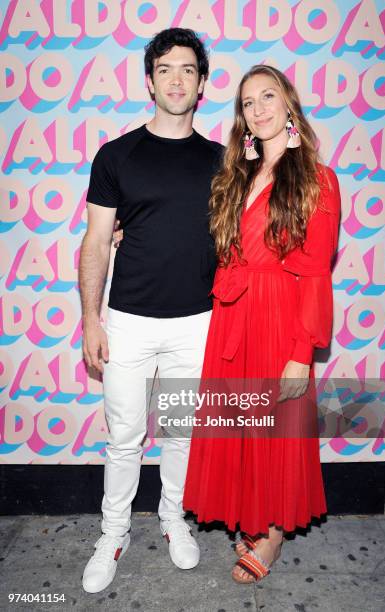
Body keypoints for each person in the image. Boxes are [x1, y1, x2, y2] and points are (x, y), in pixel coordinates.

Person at [182, 64, 341, 584]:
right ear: (242, 118)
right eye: (248, 103)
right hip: (233, 316)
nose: (259, 109)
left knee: (275, 430)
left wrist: (302, 349)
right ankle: (250, 517)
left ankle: (270, 535)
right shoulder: (238, 175)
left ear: (288, 103)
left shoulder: (318, 178)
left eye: (268, 96)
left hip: (278, 317)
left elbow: (316, 272)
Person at [79, 28, 223, 593]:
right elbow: (95, 241)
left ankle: (171, 518)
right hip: (130, 321)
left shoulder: (223, 160)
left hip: (197, 322)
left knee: (181, 433)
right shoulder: (116, 155)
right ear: (149, 80)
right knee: (124, 436)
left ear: (202, 83)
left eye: (188, 69)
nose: (177, 78)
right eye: (165, 68)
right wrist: (91, 318)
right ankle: (113, 532)